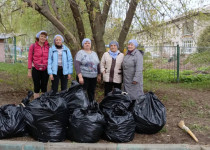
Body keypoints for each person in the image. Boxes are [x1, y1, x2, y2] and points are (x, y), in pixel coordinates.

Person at [28, 30, 50, 99]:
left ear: (46, 38)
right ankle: (36, 104)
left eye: (44, 37)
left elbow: (51, 58)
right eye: (41, 36)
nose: (43, 38)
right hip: (36, 69)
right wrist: (29, 70)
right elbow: (29, 58)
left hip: (45, 69)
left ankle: (43, 103)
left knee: (44, 87)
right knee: (36, 87)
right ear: (38, 37)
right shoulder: (33, 46)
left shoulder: (48, 46)